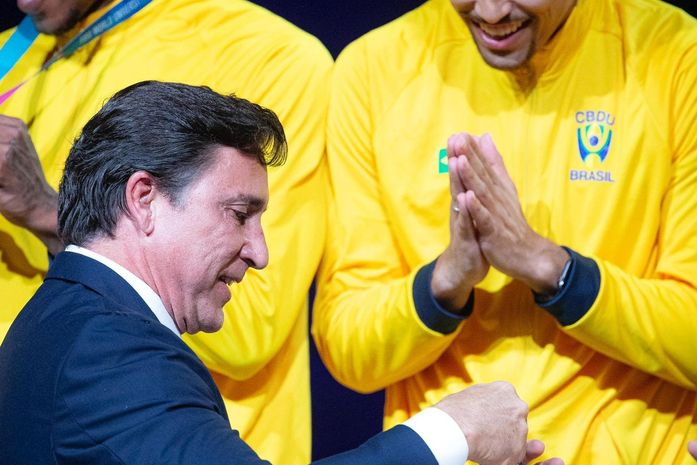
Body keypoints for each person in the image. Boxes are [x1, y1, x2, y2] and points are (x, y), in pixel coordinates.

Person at [0, 80, 563, 465]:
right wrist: (450, 433)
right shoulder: (110, 349)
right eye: (239, 214)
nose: (260, 252)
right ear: (144, 199)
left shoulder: (66, 322)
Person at [314, 0, 697, 463]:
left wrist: (551, 269)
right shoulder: (373, 70)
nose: (492, 12)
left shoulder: (677, 55)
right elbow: (350, 351)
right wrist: (446, 281)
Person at [0, 1, 331, 463]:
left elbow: (253, 328)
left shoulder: (269, 51)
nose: (24, 3)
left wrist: (46, 212)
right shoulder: (11, 53)